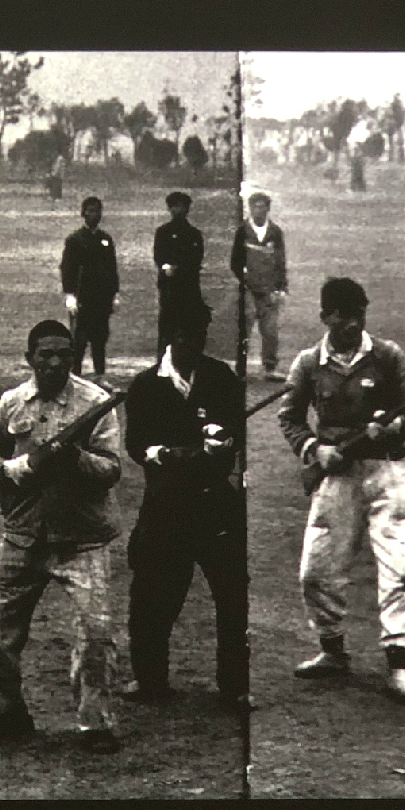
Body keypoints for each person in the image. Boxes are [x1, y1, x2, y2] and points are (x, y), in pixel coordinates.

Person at [0, 320, 124, 753]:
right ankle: (3, 714)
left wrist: (73, 457)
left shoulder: (96, 403)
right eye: (46, 354)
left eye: (64, 354)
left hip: (82, 538)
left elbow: (112, 470)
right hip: (24, 534)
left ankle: (95, 724)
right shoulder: (11, 403)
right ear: (30, 358)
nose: (55, 362)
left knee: (95, 634)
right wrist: (11, 469)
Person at [278, 277, 405, 703]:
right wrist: (314, 448)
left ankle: (399, 666)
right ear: (325, 317)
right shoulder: (308, 363)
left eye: (358, 315)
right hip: (337, 475)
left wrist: (393, 426)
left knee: (404, 569)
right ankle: (332, 650)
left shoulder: (387, 355)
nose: (352, 324)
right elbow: (289, 416)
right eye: (343, 316)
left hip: (387, 470)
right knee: (316, 571)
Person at [122, 300, 249, 708]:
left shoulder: (221, 378)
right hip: (166, 505)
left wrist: (220, 442)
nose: (189, 342)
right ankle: (150, 679)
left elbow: (234, 438)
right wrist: (169, 454)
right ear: (168, 336)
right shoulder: (145, 385)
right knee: (153, 596)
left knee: (232, 597)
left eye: (196, 335)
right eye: (180, 335)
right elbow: (137, 445)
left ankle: (235, 684)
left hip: (215, 505)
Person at [59, 195, 121, 384]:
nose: (94, 215)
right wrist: (69, 296)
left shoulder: (105, 239)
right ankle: (75, 375)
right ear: (83, 213)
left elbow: (112, 268)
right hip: (83, 297)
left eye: (97, 211)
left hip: (101, 298)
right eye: (90, 211)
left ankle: (99, 375)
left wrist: (115, 293)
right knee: (79, 339)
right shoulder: (75, 240)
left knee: (100, 338)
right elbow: (67, 268)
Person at [229, 191, 288, 381]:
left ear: (267, 209)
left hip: (269, 288)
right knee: (244, 328)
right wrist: (243, 280)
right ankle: (240, 367)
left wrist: (280, 287)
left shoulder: (275, 232)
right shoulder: (242, 231)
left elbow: (280, 262)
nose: (258, 211)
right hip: (248, 289)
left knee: (270, 330)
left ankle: (270, 368)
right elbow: (235, 261)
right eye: (254, 207)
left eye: (262, 207)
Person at [153, 190, 205, 352]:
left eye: (181, 207)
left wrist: (180, 269)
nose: (177, 210)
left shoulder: (194, 234)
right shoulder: (163, 232)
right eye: (174, 207)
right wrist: (165, 267)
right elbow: (159, 255)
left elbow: (196, 259)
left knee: (189, 326)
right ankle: (163, 364)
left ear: (187, 209)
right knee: (167, 326)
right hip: (169, 287)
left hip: (189, 286)